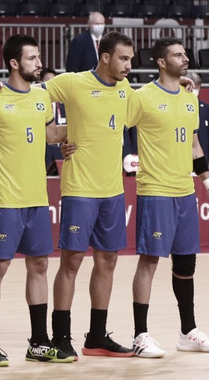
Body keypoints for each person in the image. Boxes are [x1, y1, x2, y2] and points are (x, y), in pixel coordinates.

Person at [0, 34, 76, 365]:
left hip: (37, 198)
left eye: (39, 57)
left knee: (39, 265)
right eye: (32, 58)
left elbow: (50, 134)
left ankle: (38, 342)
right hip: (5, 199)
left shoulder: (43, 98)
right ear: (14, 63)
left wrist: (69, 140)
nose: (39, 63)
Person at [40, 31, 139, 358]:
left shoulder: (126, 90)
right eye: (124, 58)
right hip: (80, 189)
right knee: (71, 262)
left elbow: (153, 106)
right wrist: (53, 137)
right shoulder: (72, 82)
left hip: (112, 190)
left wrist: (184, 88)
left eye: (131, 58)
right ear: (106, 56)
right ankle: (60, 337)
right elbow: (29, 99)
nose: (129, 65)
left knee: (108, 261)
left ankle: (96, 336)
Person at [124, 38, 209, 357]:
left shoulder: (190, 98)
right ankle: (140, 335)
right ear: (161, 62)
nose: (186, 58)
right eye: (178, 55)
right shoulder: (142, 97)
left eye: (185, 53)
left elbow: (195, 147)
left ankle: (188, 331)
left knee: (186, 263)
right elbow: (115, 127)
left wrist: (208, 183)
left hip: (185, 192)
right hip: (155, 190)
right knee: (150, 260)